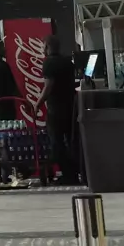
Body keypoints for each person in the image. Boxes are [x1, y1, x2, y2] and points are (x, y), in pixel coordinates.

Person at [43, 38, 79, 184]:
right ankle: (74, 172)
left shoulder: (48, 63)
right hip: (70, 106)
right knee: (70, 141)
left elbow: (48, 86)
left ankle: (67, 174)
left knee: (56, 142)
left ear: (47, 46)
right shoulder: (67, 62)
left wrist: (38, 103)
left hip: (55, 109)